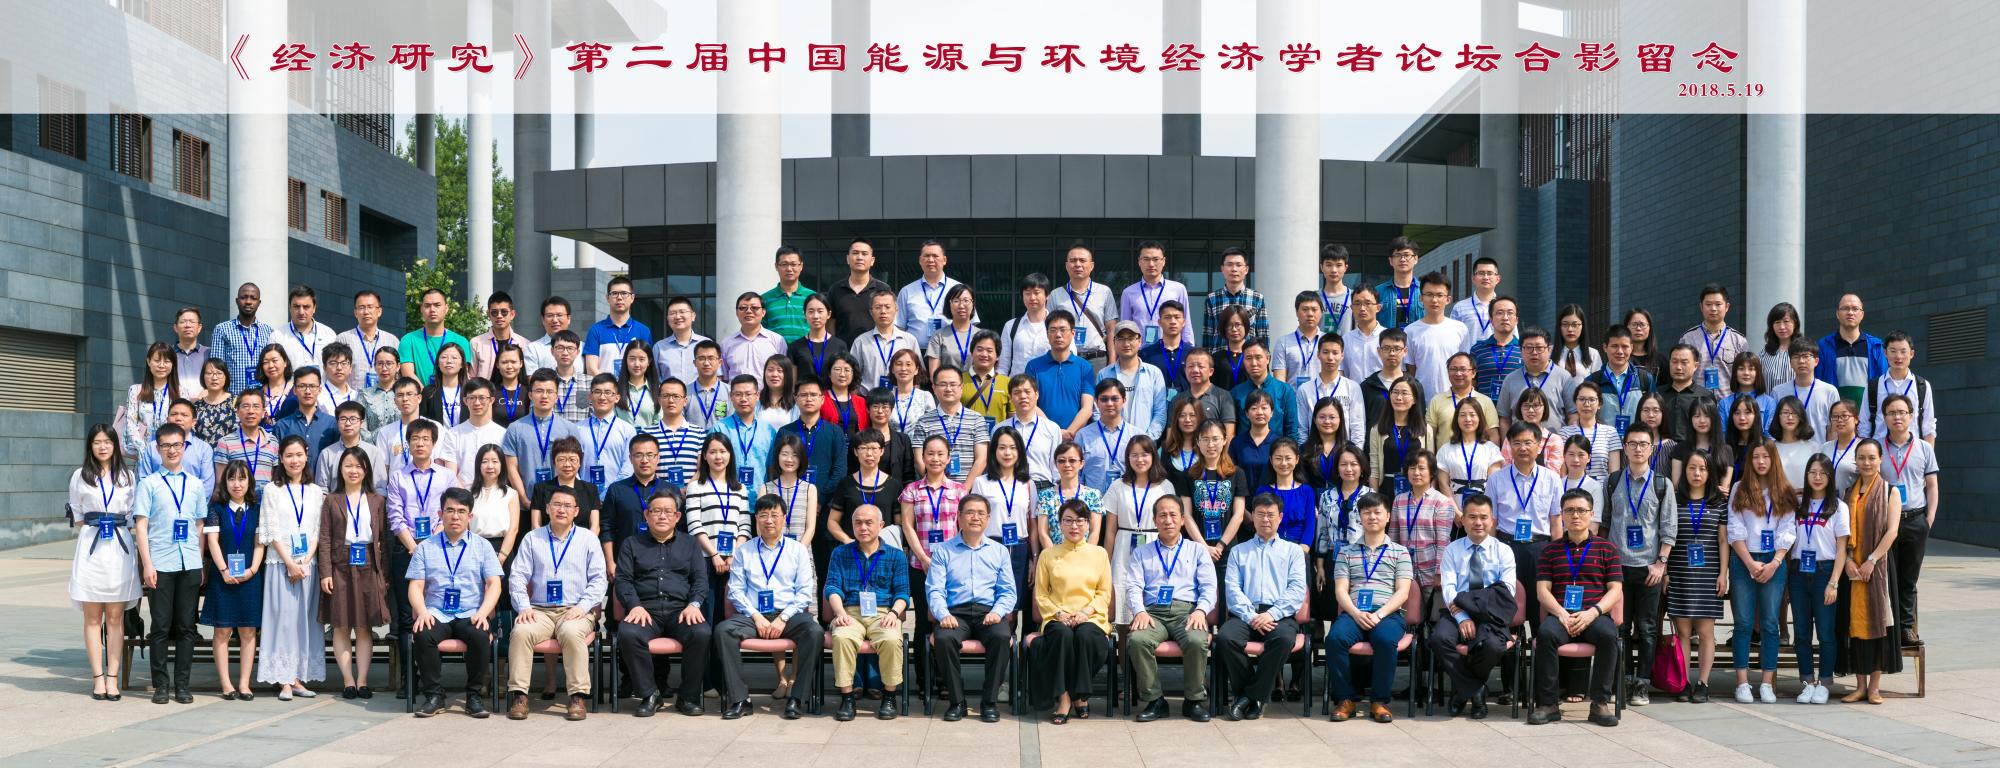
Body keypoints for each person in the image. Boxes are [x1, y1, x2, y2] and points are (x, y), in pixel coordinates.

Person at [715, 495, 823, 720]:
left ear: (784, 518)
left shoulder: (797, 550)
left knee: (814, 632)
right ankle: (740, 699)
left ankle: (797, 698)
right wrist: (756, 617)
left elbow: (804, 592)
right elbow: (735, 591)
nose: (769, 520)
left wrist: (783, 618)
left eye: (774, 515)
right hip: (753, 615)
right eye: (763, 515)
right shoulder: (744, 551)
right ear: (756, 518)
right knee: (723, 631)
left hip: (788, 615)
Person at [505, 486, 606, 721]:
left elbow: (599, 579)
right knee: (520, 631)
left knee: (571, 633)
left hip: (575, 609)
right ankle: (519, 695)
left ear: (576, 511)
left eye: (567, 506)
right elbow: (517, 576)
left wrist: (582, 607)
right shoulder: (532, 538)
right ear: (547, 508)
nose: (562, 510)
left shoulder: (588, 539)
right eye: (557, 505)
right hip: (539, 610)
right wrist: (524, 607)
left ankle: (577, 697)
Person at [1526, 490, 1624, 727]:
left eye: (1581, 510)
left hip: (1594, 614)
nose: (1575, 515)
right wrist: (1561, 613)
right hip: (1560, 615)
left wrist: (1593, 613)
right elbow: (1542, 591)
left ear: (1591, 514)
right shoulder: (1550, 550)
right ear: (1562, 515)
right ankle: (1548, 704)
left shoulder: (1607, 549)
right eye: (1569, 510)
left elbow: (1615, 590)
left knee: (1609, 636)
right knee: (1545, 634)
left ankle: (1599, 703)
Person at [613, 489, 713, 717]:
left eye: (668, 511)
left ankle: (687, 697)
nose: (662, 516)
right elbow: (623, 580)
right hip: (645, 610)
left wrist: (694, 604)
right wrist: (634, 605)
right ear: (646, 515)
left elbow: (700, 580)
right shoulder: (631, 544)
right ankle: (650, 694)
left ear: (677, 516)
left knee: (701, 633)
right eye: (656, 511)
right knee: (628, 634)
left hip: (680, 611)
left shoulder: (690, 544)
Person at [1595, 424, 1675, 705]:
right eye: (1633, 444)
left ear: (1651, 449)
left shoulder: (1662, 484)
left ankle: (1642, 683)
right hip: (1617, 568)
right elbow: (1605, 524)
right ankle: (1624, 678)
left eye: (1643, 444)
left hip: (1649, 568)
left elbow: (1668, 528)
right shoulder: (1613, 481)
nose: (1638, 449)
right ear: (1625, 448)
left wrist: (1661, 564)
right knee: (1620, 626)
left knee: (1648, 627)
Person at [407, 488, 504, 718]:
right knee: (423, 633)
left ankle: (474, 696)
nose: (455, 516)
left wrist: (483, 612)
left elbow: (494, 584)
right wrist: (422, 611)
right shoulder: (425, 547)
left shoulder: (483, 546)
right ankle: (434, 696)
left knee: (480, 634)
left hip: (471, 612)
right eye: (450, 510)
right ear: (440, 514)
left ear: (470, 516)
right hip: (436, 612)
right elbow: (415, 586)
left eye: (461, 511)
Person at [1124, 494, 1216, 723]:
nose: (1168, 520)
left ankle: (1193, 700)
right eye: (1162, 515)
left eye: (1173, 515)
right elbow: (1133, 586)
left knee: (1197, 640)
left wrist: (1201, 611)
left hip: (1187, 612)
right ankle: (1155, 700)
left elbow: (1209, 587)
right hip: (1153, 613)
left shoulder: (1197, 550)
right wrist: (1139, 611)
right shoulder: (1141, 552)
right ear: (1155, 520)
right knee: (1137, 640)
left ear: (1183, 520)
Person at [1215, 493, 1308, 721]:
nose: (1265, 519)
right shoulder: (1238, 551)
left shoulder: (1293, 551)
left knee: (1284, 639)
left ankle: (1247, 698)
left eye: (1270, 514)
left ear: (1280, 517)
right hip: (1246, 614)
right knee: (1225, 638)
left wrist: (1271, 614)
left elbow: (1297, 590)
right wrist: (1251, 616)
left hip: (1279, 615)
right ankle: (1255, 696)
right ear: (1252, 517)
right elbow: (1232, 589)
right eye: (1260, 514)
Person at [926, 494, 1018, 723]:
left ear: (988, 519)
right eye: (969, 512)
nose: (975, 517)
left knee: (1001, 637)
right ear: (958, 517)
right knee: (944, 639)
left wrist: (997, 612)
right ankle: (957, 702)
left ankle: (989, 702)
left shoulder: (999, 551)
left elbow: (1008, 591)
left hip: (989, 612)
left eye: (980, 513)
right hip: (955, 614)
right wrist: (943, 614)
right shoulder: (943, 551)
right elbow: (935, 589)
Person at [1325, 492, 1413, 724]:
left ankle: (1379, 701)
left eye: (1377, 512)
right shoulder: (1346, 552)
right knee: (1334, 639)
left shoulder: (1400, 552)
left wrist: (1379, 614)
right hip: (1354, 613)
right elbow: (1340, 590)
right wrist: (1356, 613)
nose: (1372, 517)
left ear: (1387, 516)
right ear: (1360, 517)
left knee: (1385, 640)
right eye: (1367, 513)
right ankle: (1346, 699)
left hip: (1388, 613)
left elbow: (1403, 592)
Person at [71, 424, 141, 702]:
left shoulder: (127, 476)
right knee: (92, 617)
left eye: (107, 442)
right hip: (91, 548)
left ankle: (113, 677)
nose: (102, 446)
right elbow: (77, 515)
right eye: (97, 442)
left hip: (119, 549)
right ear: (90, 446)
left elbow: (133, 514)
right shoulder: (80, 476)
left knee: (115, 616)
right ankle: (97, 678)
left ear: (115, 445)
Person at [1430, 494, 1516, 719]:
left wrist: (1472, 602)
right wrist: (1462, 616)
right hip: (1457, 612)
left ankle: (1462, 692)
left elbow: (1507, 591)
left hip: (1491, 614)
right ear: (1463, 520)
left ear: (1492, 521)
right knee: (1439, 639)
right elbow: (1448, 588)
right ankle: (1476, 691)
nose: (1478, 522)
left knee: (1494, 647)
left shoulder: (1503, 551)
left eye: (1484, 517)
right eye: (1472, 517)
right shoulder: (1452, 550)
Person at [1030, 499, 1114, 723]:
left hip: (1091, 617)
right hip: (1058, 616)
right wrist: (1059, 614)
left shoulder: (1099, 554)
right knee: (1062, 635)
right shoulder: (1048, 555)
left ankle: (1079, 694)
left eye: (1080, 521)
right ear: (1059, 524)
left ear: (1088, 524)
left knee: (1086, 636)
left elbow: (1104, 593)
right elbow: (1041, 595)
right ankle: (1065, 697)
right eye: (1068, 520)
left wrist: (1086, 612)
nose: (1074, 526)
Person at [824, 505, 910, 721]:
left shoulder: (896, 556)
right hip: (849, 611)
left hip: (883, 613)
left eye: (869, 523)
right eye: (858, 523)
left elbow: (902, 592)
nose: (863, 527)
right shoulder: (840, 553)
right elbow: (832, 587)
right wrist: (839, 612)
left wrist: (894, 614)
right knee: (842, 637)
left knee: (891, 639)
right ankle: (847, 698)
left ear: (881, 525)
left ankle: (889, 696)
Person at [257, 436, 327, 700]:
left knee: (304, 622)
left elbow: (319, 530)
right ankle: (283, 679)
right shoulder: (272, 490)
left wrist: (305, 561)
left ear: (307, 456)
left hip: (308, 566)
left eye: (298, 455)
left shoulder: (316, 492)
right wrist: (289, 562)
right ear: (281, 459)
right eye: (289, 455)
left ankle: (298, 677)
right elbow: (270, 530)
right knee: (283, 620)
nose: (294, 460)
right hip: (280, 564)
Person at [1728, 442, 1797, 704]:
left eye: (1765, 456)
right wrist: (1749, 562)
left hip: (1773, 561)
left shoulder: (1784, 490)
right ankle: (1742, 683)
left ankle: (1767, 682)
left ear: (1773, 459)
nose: (1760, 461)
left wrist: (1775, 562)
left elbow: (1788, 530)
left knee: (1770, 623)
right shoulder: (1739, 488)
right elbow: (1734, 528)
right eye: (1755, 457)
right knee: (1743, 623)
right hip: (1743, 559)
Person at [317, 447, 389, 699]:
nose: (353, 470)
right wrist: (325, 573)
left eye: (358, 466)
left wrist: (384, 577)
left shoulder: (377, 500)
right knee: (341, 626)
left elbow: (384, 541)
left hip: (369, 564)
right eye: (348, 465)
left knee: (364, 627)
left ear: (366, 470)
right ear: (340, 469)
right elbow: (325, 539)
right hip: (340, 566)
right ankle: (348, 681)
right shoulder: (331, 500)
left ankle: (362, 680)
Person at [1836, 439, 1901, 704]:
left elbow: (1892, 532)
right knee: (1855, 625)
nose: (1866, 463)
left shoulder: (1890, 491)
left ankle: (1874, 687)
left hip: (1878, 566)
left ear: (1880, 459)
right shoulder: (1848, 492)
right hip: (1852, 567)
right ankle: (1859, 686)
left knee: (1878, 623)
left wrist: (1871, 560)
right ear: (1856, 460)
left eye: (1871, 458)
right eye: (1861, 458)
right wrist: (1849, 560)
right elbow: (1842, 531)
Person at [1878, 395, 1939, 646]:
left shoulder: (1924, 448)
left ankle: (1906, 629)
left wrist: (1929, 519)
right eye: (1892, 413)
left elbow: (1932, 486)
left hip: (1915, 519)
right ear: (1884, 418)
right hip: (1885, 522)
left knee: (1908, 579)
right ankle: (1886, 630)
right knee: (1885, 577)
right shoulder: (1876, 448)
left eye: (1902, 412)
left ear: (1911, 416)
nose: (1897, 417)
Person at [1666, 451, 1726, 703]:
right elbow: (1667, 535)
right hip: (1679, 571)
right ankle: (1684, 682)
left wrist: (1723, 574)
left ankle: (1703, 682)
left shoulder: (1719, 503)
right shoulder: (1674, 499)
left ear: (1710, 472)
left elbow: (1723, 540)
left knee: (1705, 633)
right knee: (1682, 633)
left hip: (1708, 574)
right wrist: (1665, 571)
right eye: (1692, 468)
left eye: (1702, 468)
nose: (1697, 473)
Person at [203, 460, 264, 701]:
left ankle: (244, 684)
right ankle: (226, 684)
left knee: (248, 631)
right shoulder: (216, 508)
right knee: (222, 631)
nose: (236, 484)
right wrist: (224, 570)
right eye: (231, 479)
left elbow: (260, 543)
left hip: (250, 577)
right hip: (223, 578)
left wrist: (252, 569)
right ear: (225, 482)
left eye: (242, 478)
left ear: (249, 482)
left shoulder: (257, 508)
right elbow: (212, 542)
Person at [1791, 454, 1850, 705]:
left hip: (1825, 571)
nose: (1817, 477)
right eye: (1812, 472)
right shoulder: (1797, 504)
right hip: (1797, 572)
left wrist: (1833, 582)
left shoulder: (1839, 507)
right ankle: (1807, 682)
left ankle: (1824, 682)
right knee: (1801, 632)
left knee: (1825, 632)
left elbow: (1842, 549)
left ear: (1830, 477)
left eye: (1823, 473)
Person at [1388, 449, 1455, 623]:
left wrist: (1439, 573)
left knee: (1433, 620)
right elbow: (1393, 537)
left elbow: (1443, 542)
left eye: (1421, 468)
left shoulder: (1442, 502)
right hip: (1404, 571)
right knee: (1407, 619)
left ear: (1432, 472)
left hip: (1430, 571)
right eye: (1412, 468)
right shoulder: (1399, 500)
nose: (1416, 473)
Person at [970, 427, 1037, 595]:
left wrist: (1034, 558)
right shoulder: (981, 482)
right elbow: (974, 522)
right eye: (1002, 448)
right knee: (990, 601)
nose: (1007, 453)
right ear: (994, 451)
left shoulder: (1028, 484)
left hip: (1020, 548)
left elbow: (1033, 525)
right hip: (989, 546)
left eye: (1013, 448)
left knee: (1016, 602)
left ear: (1020, 451)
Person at [1177, 420, 1250, 562]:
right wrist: (1204, 547)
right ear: (1197, 442)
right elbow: (1186, 515)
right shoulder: (1188, 475)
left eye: (1215, 439)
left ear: (1225, 440)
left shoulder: (1236, 474)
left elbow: (1239, 515)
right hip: (1196, 548)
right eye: (1205, 439)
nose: (1210, 445)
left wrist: (1221, 545)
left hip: (1227, 549)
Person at [502, 371, 584, 497]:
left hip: (561, 501)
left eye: (550, 391)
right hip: (527, 499)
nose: (544, 396)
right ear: (530, 395)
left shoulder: (569, 428)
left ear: (556, 396)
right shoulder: (515, 428)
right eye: (539, 391)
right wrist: (524, 499)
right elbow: (511, 468)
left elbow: (576, 466)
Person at [1026, 310, 1098, 441]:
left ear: (1073, 333)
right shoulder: (1033, 367)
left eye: (1063, 330)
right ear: (1047, 334)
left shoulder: (1084, 367)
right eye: (1053, 330)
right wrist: (1056, 433)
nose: (1058, 335)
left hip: (1076, 438)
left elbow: (1087, 408)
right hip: (1043, 437)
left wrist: (1069, 433)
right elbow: (1031, 404)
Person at [911, 365, 986, 484]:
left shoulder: (977, 419)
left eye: (953, 384)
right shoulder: (924, 421)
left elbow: (981, 459)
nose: (948, 389)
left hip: (968, 490)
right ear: (934, 388)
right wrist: (936, 487)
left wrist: (964, 490)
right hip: (934, 490)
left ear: (961, 387)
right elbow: (919, 460)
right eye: (943, 384)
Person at [1403, 272, 1472, 401]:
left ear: (1448, 299)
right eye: (1429, 294)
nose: (1434, 300)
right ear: (1421, 298)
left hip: (1455, 401)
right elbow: (1411, 371)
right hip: (1422, 401)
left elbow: (1465, 368)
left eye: (1440, 295)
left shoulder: (1460, 329)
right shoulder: (1410, 331)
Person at [1860, 331, 1937, 443]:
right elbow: (1864, 427)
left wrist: (1928, 453)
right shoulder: (1873, 386)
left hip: (1913, 449)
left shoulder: (1922, 386)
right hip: (1880, 450)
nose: (1898, 356)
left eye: (1903, 351)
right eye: (1893, 351)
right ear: (1885, 353)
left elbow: (1928, 427)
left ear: (1911, 354)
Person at [899, 240, 977, 349]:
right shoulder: (906, 291)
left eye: (935, 256)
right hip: (915, 352)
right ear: (920, 260)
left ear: (944, 260)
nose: (931, 260)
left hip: (951, 351)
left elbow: (971, 323)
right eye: (926, 256)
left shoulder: (959, 289)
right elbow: (899, 326)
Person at [1815, 293, 1888, 405]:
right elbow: (1817, 384)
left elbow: (1883, 383)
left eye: (1855, 309)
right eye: (1845, 308)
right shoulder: (1824, 346)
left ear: (1862, 314)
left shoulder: (1876, 346)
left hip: (1867, 413)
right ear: (1837, 314)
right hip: (1834, 412)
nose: (1850, 312)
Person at [1099, 321, 1169, 437]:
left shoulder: (1154, 374)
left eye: (1131, 338)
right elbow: (1097, 410)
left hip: (1145, 442)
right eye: (1121, 338)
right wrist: (1108, 438)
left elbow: (1160, 412)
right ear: (1114, 342)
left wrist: (1147, 440)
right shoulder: (1104, 374)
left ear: (1139, 341)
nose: (1126, 343)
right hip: (1111, 441)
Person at [1119, 241, 1194, 346]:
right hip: (1140, 351)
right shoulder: (1128, 293)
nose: (1151, 264)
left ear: (1163, 261)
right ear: (1139, 261)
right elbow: (1125, 327)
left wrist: (1189, 348)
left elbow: (1186, 323)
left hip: (1170, 350)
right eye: (1146, 259)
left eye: (1155, 259)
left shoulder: (1178, 289)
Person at [1498, 328, 1573, 433]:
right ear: (1521, 351)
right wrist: (1508, 442)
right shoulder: (1510, 379)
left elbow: (1573, 415)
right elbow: (1504, 418)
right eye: (1529, 348)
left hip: (1555, 441)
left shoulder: (1564, 377)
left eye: (1539, 347)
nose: (1534, 352)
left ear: (1548, 349)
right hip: (1520, 442)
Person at [1298, 334, 1366, 447]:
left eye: (1335, 353)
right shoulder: (1305, 389)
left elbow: (1357, 428)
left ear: (1342, 355)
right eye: (1325, 352)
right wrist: (1305, 453)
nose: (1330, 357)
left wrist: (1354, 454)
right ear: (1318, 354)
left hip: (1344, 453)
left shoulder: (1352, 388)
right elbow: (1302, 429)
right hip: (1313, 452)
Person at [1584, 324, 1654, 434]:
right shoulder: (1592, 381)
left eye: (1625, 346)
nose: (1620, 351)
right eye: (1614, 346)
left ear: (1631, 348)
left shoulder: (1644, 379)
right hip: (1603, 441)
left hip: (1636, 441)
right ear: (1605, 347)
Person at [1057, 243, 1119, 365]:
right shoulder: (1056, 294)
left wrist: (1112, 362)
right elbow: (1049, 330)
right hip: (1066, 359)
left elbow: (1111, 329)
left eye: (1082, 260)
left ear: (1091, 266)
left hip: (1097, 359)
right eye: (1073, 260)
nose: (1077, 264)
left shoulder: (1104, 292)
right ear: (1067, 266)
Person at [1035, 441, 1105, 548]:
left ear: (1081, 464)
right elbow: (1043, 533)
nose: (1067, 465)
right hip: (1055, 555)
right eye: (1061, 461)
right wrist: (1054, 555)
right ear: (1056, 464)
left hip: (1084, 555)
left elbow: (1094, 532)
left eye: (1072, 460)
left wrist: (1085, 555)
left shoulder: (1093, 495)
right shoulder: (1045, 496)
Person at [994, 377, 1061, 486]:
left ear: (1037, 395)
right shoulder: (999, 429)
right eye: (1017, 392)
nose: (1023, 396)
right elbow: (994, 463)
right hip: (1008, 486)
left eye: (1027, 391)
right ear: (1010, 397)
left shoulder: (1052, 428)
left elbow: (1056, 466)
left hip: (1042, 486)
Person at [1438, 398, 1506, 505]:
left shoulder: (1491, 449)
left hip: (1484, 508)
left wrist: (1482, 510)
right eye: (1462, 415)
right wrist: (1456, 511)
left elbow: (1493, 484)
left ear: (1480, 418)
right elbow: (1443, 484)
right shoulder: (1445, 449)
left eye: (1472, 415)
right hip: (1453, 508)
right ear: (1456, 419)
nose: (1468, 419)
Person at [398, 288, 472, 386]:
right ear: (421, 309)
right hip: (420, 394)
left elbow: (464, 375)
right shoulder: (408, 340)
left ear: (446, 308)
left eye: (437, 305)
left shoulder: (461, 341)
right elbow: (408, 374)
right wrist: (426, 394)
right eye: (427, 306)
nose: (432, 310)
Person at [1366, 378, 1427, 495]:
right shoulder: (1377, 429)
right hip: (1387, 489)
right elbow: (1374, 470)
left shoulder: (1425, 429)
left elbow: (1430, 467)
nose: (1399, 397)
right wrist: (1375, 497)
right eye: (1395, 392)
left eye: (1404, 393)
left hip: (1417, 489)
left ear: (1414, 399)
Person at [210, 282, 274, 395]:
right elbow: (216, 368)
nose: (248, 301)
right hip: (232, 397)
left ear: (259, 303)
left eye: (253, 298)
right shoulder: (222, 329)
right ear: (237, 301)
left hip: (262, 398)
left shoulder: (269, 332)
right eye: (244, 297)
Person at [122, 341, 181, 461]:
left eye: (167, 361)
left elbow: (182, 425)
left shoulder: (181, 392)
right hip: (144, 455)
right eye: (157, 360)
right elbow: (130, 424)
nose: (161, 365)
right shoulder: (136, 390)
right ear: (149, 361)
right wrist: (144, 450)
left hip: (171, 456)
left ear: (173, 364)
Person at [585, 276, 654, 376]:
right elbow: (591, 368)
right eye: (614, 293)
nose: (619, 298)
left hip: (633, 386)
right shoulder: (596, 330)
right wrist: (609, 384)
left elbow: (648, 366)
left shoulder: (643, 331)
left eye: (624, 293)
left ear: (632, 298)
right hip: (605, 386)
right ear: (607, 298)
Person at [1201, 247, 1268, 349]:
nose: (1234, 269)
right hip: (1219, 356)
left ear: (1246, 269)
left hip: (1248, 356)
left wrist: (1265, 355)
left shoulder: (1257, 298)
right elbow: (1207, 334)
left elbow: (1263, 334)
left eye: (1238, 265)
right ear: (1222, 269)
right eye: (1229, 264)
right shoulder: (1212, 299)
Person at [828, 238, 892, 345]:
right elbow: (830, 323)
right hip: (843, 352)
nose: (859, 257)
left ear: (872, 260)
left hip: (875, 349)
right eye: (855, 253)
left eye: (864, 254)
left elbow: (889, 322)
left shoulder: (883, 289)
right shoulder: (836, 290)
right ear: (848, 259)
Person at [856, 288, 922, 389]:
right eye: (878, 307)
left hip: (902, 396)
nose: (883, 311)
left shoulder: (909, 340)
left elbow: (918, 375)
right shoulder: (861, 341)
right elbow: (854, 375)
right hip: (869, 397)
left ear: (896, 310)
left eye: (887, 307)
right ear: (871, 312)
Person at [1771, 339, 1837, 441]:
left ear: (1816, 361)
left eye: (1806, 356)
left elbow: (1832, 429)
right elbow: (1774, 427)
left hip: (1819, 450)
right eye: (1796, 357)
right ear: (1790, 363)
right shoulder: (1778, 392)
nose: (1801, 361)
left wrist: (1828, 450)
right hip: (1787, 449)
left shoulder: (1829, 391)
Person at [448, 380, 509, 489]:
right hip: (462, 494)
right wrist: (463, 495)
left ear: (491, 400)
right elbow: (450, 473)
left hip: (494, 493)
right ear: (465, 401)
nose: (477, 403)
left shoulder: (503, 434)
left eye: (482, 398)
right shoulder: (453, 433)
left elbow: (505, 470)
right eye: (472, 398)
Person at [764, 432, 820, 548]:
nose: (789, 459)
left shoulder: (810, 489)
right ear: (777, 456)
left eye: (795, 455)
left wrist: (797, 553)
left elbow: (811, 528)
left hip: (802, 554)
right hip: (771, 553)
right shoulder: (765, 489)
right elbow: (761, 528)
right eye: (784, 454)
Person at [466, 444, 522, 561]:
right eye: (485, 461)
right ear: (478, 465)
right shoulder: (469, 493)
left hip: (502, 549)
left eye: (495, 461)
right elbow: (466, 527)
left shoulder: (511, 494)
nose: (490, 466)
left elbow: (513, 529)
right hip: (474, 549)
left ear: (502, 465)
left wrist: (501, 557)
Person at [1077, 379, 1136, 488]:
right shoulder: (1083, 435)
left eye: (1115, 399)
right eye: (1104, 399)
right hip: (1093, 497)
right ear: (1096, 401)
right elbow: (1077, 474)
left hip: (1128, 496)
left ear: (1124, 400)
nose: (1109, 403)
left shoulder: (1136, 436)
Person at [470, 292, 542, 380]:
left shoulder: (524, 344)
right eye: (494, 312)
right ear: (488, 314)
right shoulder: (476, 343)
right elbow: (471, 377)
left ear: (512, 314)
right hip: (485, 389)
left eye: (504, 312)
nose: (499, 316)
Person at [1359, 328, 1421, 429]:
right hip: (1375, 438)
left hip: (1407, 439)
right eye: (1386, 348)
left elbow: (1419, 421)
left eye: (1397, 349)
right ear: (1379, 351)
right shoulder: (1367, 386)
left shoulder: (1415, 386)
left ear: (1405, 351)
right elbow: (1360, 423)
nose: (1392, 353)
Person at [1657, 344, 1717, 445]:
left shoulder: (1705, 396)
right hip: (1661, 449)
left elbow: (1713, 430)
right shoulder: (1657, 394)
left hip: (1693, 450)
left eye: (1684, 362)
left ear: (1696, 366)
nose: (1678, 367)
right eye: (1674, 362)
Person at [721, 292, 788, 382]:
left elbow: (785, 374)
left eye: (755, 308)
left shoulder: (777, 341)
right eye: (743, 308)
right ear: (737, 313)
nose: (748, 311)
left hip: (766, 392)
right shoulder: (726, 344)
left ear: (763, 312)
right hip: (736, 391)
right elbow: (724, 379)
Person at [1560, 382, 1621, 479]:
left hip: (1601, 487)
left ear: (1599, 404)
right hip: (1573, 487)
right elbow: (1562, 472)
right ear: (1575, 403)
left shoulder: (1610, 433)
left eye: (1592, 400)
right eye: (1582, 399)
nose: (1586, 404)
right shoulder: (1565, 433)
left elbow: (1614, 474)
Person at [335, 290, 392, 390]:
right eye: (361, 307)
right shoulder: (343, 339)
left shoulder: (391, 340)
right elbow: (335, 373)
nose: (366, 312)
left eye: (370, 307)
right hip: (353, 398)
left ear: (379, 311)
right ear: (355, 313)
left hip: (384, 398)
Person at [999, 273, 1053, 376]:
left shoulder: (1058, 326)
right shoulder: (1011, 326)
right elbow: (1003, 366)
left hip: (1048, 384)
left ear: (1047, 295)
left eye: (1036, 293)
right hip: (1017, 384)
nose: (1032, 297)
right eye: (1027, 293)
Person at [787, 294, 850, 382]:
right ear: (805, 314)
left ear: (829, 314)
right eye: (811, 311)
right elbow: (792, 382)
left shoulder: (840, 345)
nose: (815, 316)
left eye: (820, 311)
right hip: (806, 391)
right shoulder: (795, 347)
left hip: (831, 391)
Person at [1180, 349, 1239, 443]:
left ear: (1211, 371)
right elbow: (1172, 433)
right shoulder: (1178, 399)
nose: (1195, 370)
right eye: (1190, 366)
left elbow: (1229, 435)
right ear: (1185, 370)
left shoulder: (1223, 397)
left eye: (1200, 366)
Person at [761, 246, 817, 344]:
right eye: (784, 264)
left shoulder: (813, 297)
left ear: (801, 266)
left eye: (793, 264)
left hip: (806, 351)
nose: (789, 269)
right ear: (776, 266)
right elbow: (760, 331)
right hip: (775, 352)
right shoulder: (764, 299)